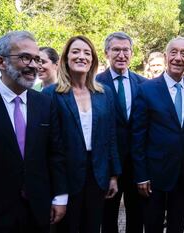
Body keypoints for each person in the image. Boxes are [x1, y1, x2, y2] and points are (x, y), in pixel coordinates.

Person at [0, 31, 67, 233]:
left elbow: (55, 153)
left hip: (37, 210)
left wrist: (59, 197)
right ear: (1, 62)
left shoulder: (44, 103)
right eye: (25, 57)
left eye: (37, 59)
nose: (34, 65)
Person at [43, 35, 121, 233]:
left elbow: (111, 136)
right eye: (75, 51)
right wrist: (57, 191)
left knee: (92, 227)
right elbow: (50, 145)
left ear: (93, 60)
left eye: (87, 53)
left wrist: (113, 174)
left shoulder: (105, 93)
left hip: (97, 176)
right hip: (66, 177)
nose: (81, 56)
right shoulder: (51, 94)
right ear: (66, 58)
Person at [132, 36, 184, 233]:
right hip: (154, 175)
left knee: (177, 227)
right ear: (166, 56)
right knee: (153, 226)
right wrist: (141, 176)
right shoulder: (146, 90)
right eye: (174, 53)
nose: (178, 58)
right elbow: (137, 136)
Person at [96, 32, 146, 233]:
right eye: (116, 49)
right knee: (108, 217)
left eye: (126, 50)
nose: (121, 54)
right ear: (106, 52)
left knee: (137, 216)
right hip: (108, 166)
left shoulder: (143, 84)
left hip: (136, 165)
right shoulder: (95, 84)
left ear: (132, 53)